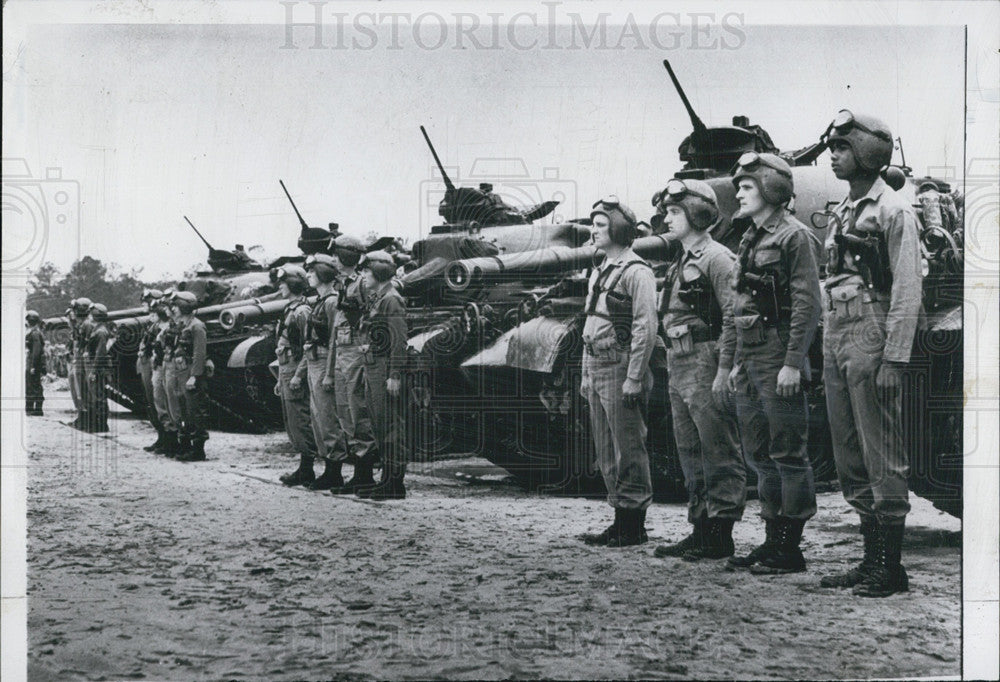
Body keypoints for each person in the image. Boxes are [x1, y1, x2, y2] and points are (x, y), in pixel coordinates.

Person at [818, 110, 922, 597]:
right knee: (849, 451)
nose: (833, 156)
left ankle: (892, 568)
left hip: (872, 332)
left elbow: (907, 288)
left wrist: (895, 358)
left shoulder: (893, 210)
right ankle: (871, 559)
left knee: (881, 452)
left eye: (841, 148)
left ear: (867, 153)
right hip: (839, 333)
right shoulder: (844, 210)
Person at [721, 152, 823, 575]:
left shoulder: (794, 237)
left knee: (787, 451)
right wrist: (733, 362)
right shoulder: (749, 237)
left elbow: (807, 303)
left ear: (771, 189)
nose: (738, 194)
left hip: (778, 351)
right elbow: (739, 302)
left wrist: (792, 362)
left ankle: (789, 547)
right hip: (751, 355)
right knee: (759, 454)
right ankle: (770, 539)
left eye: (746, 187)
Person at [650, 179, 746, 561]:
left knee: (717, 446)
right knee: (689, 448)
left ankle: (721, 534)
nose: (667, 219)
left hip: (706, 358)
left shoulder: (717, 258)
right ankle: (701, 528)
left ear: (698, 214)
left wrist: (725, 368)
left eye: (675, 212)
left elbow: (735, 317)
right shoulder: (681, 259)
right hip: (679, 360)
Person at [578, 196, 658, 547]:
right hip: (596, 363)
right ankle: (619, 518)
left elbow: (645, 328)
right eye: (593, 224)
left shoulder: (637, 272)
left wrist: (635, 376)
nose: (593, 231)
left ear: (620, 229)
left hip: (619, 363)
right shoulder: (599, 270)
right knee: (606, 449)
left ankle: (633, 522)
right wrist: (584, 374)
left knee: (628, 447)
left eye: (600, 225)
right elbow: (589, 324)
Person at [327, 235, 380, 495]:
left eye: (337, 255)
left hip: (357, 353)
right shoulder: (344, 284)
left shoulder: (360, 284)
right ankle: (359, 471)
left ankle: (364, 473)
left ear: (347, 257)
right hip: (343, 354)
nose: (334, 260)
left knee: (359, 412)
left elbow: (372, 317)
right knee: (345, 412)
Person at [356, 250, 410, 500]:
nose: (363, 275)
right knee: (379, 424)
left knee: (390, 425)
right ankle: (387, 479)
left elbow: (399, 340)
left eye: (367, 271)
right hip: (374, 366)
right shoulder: (380, 298)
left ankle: (395, 483)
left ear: (378, 272)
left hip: (384, 367)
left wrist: (395, 374)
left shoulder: (391, 299)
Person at [301, 253, 350, 490]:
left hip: (322, 362)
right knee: (317, 416)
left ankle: (334, 470)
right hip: (313, 361)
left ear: (322, 275)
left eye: (312, 272)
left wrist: (330, 372)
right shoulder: (319, 301)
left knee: (328, 417)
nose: (308, 276)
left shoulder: (331, 302)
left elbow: (334, 340)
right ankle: (327, 466)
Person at [272, 265, 320, 486]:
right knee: (292, 421)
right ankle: (304, 466)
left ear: (293, 285)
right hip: (286, 370)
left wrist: (298, 375)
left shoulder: (302, 312)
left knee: (300, 420)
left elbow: (308, 347)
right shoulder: (290, 309)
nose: (280, 286)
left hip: (294, 372)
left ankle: (307, 468)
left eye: (283, 282)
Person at [170, 290, 210, 462]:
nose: (173, 309)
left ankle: (198, 449)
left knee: (195, 411)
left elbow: (199, 353)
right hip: (180, 371)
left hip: (191, 372)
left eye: (176, 306)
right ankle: (187, 445)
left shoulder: (197, 326)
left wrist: (194, 376)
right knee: (184, 410)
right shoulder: (183, 325)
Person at [152, 289, 182, 456]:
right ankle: (168, 438)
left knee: (173, 405)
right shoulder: (165, 325)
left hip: (172, 367)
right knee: (162, 402)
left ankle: (175, 440)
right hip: (163, 364)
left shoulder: (178, 326)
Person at [137, 289, 167, 451]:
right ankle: (161, 436)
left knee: (160, 402)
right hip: (148, 363)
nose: (145, 305)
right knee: (152, 402)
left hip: (156, 364)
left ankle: (166, 437)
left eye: (147, 302)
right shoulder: (152, 323)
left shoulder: (161, 324)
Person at [84, 302, 112, 433]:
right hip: (96, 366)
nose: (89, 315)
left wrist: (94, 371)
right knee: (95, 396)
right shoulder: (98, 330)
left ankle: (101, 425)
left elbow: (100, 353)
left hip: (98, 368)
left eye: (91, 313)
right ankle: (98, 424)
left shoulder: (100, 332)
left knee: (99, 396)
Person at [69, 297, 94, 428]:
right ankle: (82, 417)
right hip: (80, 359)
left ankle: (86, 419)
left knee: (83, 390)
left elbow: (86, 344)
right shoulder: (81, 324)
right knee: (78, 390)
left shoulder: (87, 324)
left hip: (84, 361)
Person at [25, 310, 46, 416]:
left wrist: (33, 366)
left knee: (34, 385)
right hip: (32, 362)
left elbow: (36, 351)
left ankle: (37, 409)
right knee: (30, 385)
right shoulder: (34, 332)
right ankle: (31, 408)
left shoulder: (35, 333)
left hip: (34, 364)